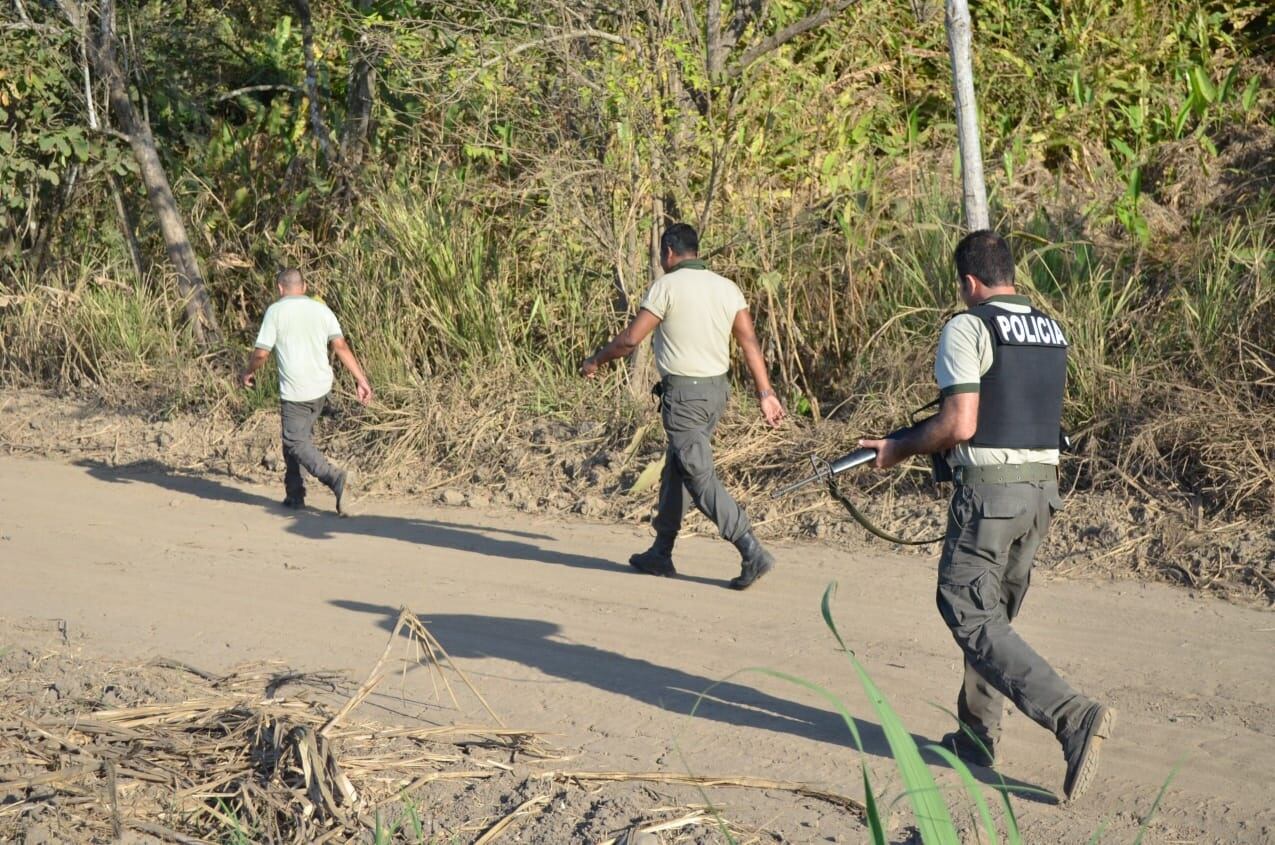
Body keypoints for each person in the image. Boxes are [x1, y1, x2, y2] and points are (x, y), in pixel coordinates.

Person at [858, 230, 1113, 804]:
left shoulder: (968, 325)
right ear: (1010, 275)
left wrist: (897, 448)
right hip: (1042, 492)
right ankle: (976, 738)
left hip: (992, 496)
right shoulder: (1051, 329)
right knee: (993, 614)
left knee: (967, 609)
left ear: (970, 282)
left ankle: (1073, 716)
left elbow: (960, 423)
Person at [580, 223, 785, 589]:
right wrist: (765, 393)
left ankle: (750, 548)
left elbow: (630, 340)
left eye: (662, 255)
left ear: (670, 252)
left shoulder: (667, 286)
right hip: (716, 394)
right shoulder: (727, 288)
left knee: (698, 474)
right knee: (678, 467)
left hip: (686, 398)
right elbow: (749, 342)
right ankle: (661, 551)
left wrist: (597, 359)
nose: (662, 261)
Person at [239, 268, 372, 515]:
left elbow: (261, 353)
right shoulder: (321, 309)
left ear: (280, 288)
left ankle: (335, 479)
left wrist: (248, 371)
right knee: (297, 436)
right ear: (304, 286)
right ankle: (294, 494)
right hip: (321, 387)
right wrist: (361, 380)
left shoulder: (276, 311)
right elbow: (340, 346)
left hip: (296, 390)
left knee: (294, 439)